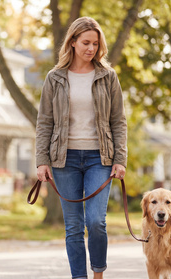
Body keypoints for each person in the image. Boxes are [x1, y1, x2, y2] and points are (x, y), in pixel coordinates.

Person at [35, 16, 127, 279]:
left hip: (101, 157)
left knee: (96, 221)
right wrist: (42, 160)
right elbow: (45, 122)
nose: (91, 49)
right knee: (73, 226)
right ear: (72, 42)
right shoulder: (55, 78)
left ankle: (98, 273)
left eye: (96, 44)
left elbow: (118, 120)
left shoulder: (108, 77)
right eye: (86, 42)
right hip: (65, 160)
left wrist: (120, 159)